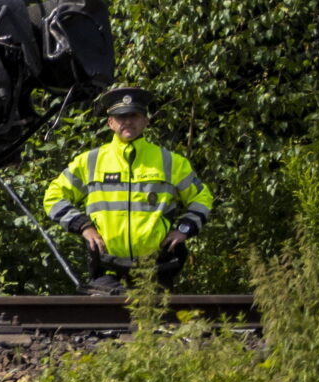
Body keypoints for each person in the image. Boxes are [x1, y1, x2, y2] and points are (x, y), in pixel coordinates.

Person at [42, 87, 213, 290]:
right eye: (121, 116)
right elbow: (53, 197)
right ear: (110, 123)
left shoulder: (170, 162)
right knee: (104, 321)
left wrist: (184, 229)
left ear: (146, 120)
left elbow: (203, 198)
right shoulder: (90, 161)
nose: (128, 121)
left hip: (156, 269)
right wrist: (83, 226)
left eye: (134, 115)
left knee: (155, 323)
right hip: (107, 269)